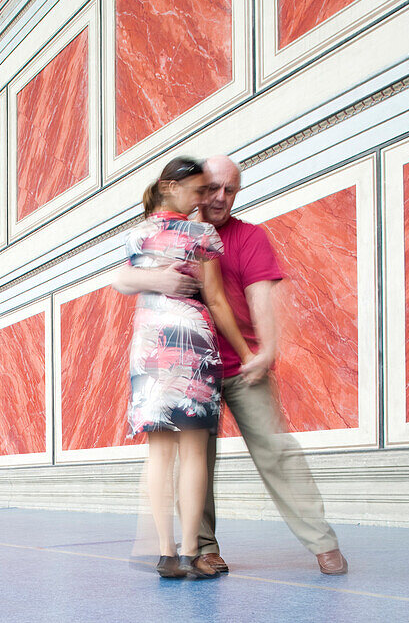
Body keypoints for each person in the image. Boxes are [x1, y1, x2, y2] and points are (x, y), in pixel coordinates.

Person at [120, 155, 348, 576]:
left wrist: (263, 352)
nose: (219, 197)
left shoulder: (247, 237)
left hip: (241, 368)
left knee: (275, 451)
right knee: (196, 463)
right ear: (196, 190)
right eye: (211, 189)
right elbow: (124, 278)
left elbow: (261, 297)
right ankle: (201, 549)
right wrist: (157, 281)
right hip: (190, 367)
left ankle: (323, 543)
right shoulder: (185, 232)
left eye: (230, 190)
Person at [113, 156, 267, 580]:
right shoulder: (202, 233)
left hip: (148, 349)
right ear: (169, 188)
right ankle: (189, 553)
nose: (203, 199)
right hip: (192, 348)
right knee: (194, 453)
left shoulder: (136, 235)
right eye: (198, 190)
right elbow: (216, 301)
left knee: (159, 454)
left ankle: (165, 555)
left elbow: (124, 281)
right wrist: (245, 350)